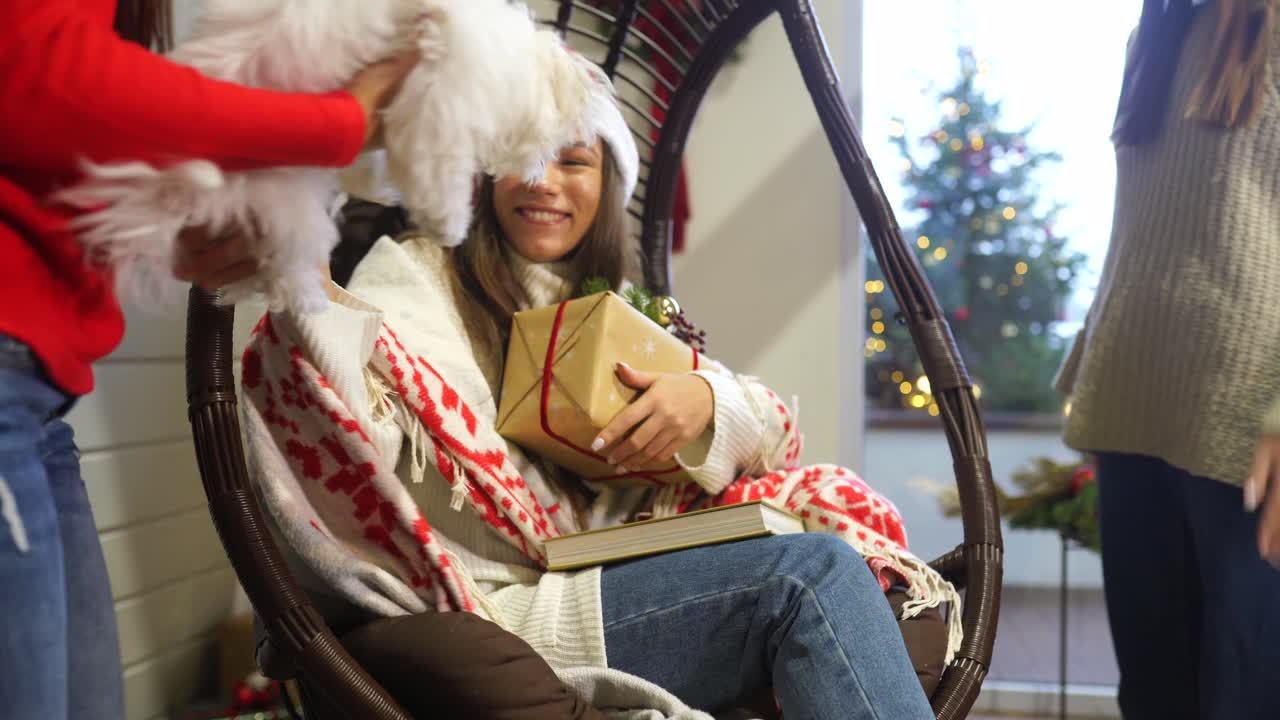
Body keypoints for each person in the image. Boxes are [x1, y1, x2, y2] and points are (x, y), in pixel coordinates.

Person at [240, 50, 946, 720]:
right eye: (519, 157)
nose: (542, 181)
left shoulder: (624, 308)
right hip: (522, 605)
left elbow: (776, 439)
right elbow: (354, 403)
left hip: (627, 565)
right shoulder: (418, 274)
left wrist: (706, 400)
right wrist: (311, 283)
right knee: (811, 576)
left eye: (573, 161)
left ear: (608, 183)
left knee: (828, 542)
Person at [0, 1, 418, 717]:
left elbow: (45, 125)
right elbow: (36, 70)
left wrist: (161, 224)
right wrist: (336, 125)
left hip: (37, 398)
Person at [1055, 0, 1280, 717]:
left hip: (1245, 423)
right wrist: (1091, 353)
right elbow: (1141, 219)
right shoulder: (1150, 39)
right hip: (1132, 397)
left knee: (1244, 690)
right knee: (1153, 692)